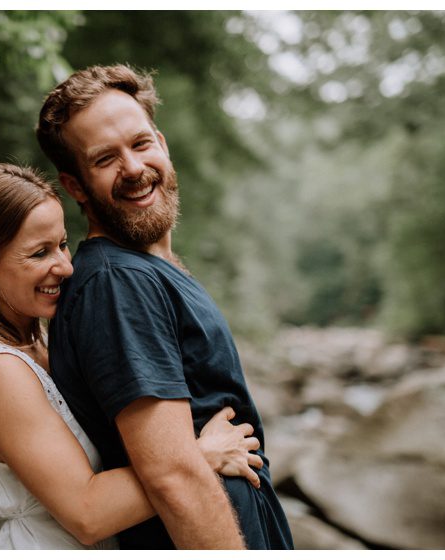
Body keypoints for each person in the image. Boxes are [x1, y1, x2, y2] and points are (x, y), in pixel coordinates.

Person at [0, 162, 265, 549]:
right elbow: (88, 513)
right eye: (39, 253)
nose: (65, 266)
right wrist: (199, 456)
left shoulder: (38, 343)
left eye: (62, 244)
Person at [36, 65, 294, 549]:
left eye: (140, 144)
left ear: (162, 143)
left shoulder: (144, 271)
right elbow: (173, 476)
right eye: (105, 159)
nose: (134, 168)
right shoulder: (119, 284)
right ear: (76, 186)